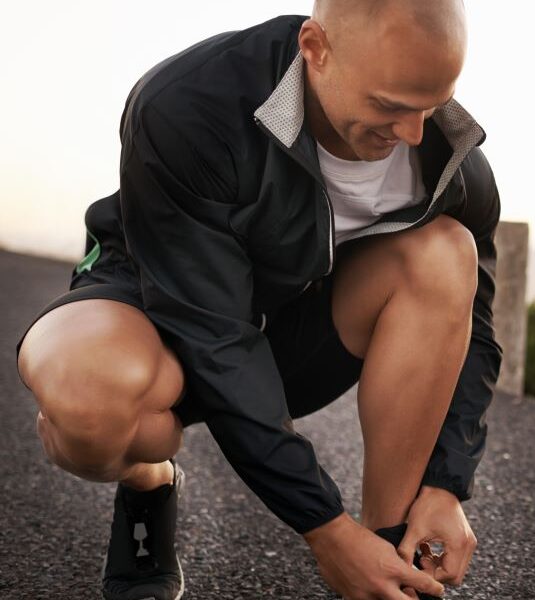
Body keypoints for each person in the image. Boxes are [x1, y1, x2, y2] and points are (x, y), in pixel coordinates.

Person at [14, 1, 501, 598]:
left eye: (433, 103)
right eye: (390, 106)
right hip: (153, 299)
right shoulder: (188, 105)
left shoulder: (451, 162)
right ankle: (148, 480)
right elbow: (215, 337)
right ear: (315, 49)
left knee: (447, 253)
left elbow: (472, 326)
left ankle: (389, 558)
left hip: (291, 332)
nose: (413, 133)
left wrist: (445, 485)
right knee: (89, 400)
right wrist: (324, 528)